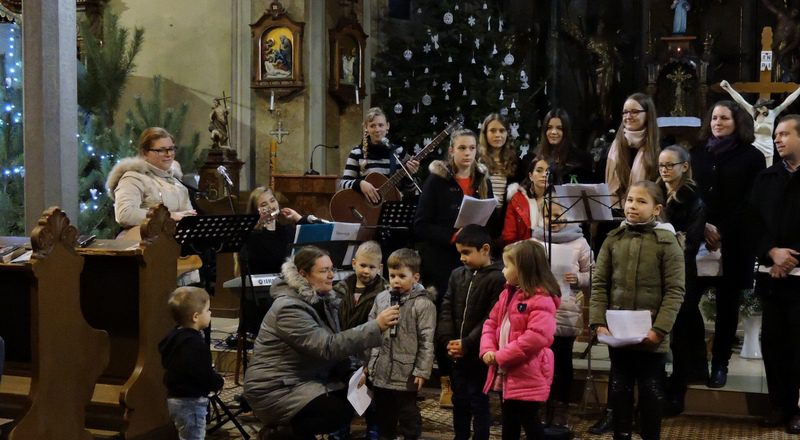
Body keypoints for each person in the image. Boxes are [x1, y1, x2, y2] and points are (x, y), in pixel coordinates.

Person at [243, 246, 400, 439]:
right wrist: (376, 326)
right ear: (303, 274)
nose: (331, 275)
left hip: (303, 378)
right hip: (275, 387)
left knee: (356, 394)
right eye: (324, 271)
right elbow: (327, 346)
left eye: (332, 269)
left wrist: (350, 373)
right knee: (335, 412)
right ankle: (277, 435)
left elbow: (336, 347)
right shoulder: (288, 308)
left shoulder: (322, 299)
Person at [590, 181, 685, 440]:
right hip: (618, 333)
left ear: (657, 209)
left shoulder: (667, 242)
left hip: (651, 334)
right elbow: (600, 284)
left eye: (642, 201)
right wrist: (598, 322)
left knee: (651, 391)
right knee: (619, 389)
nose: (633, 206)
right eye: (630, 200)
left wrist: (659, 329)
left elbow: (675, 291)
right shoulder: (613, 239)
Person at [414, 128, 494, 408]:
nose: (467, 153)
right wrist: (453, 237)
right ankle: (447, 380)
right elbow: (421, 224)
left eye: (471, 148)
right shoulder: (437, 180)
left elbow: (491, 219)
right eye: (462, 148)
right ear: (451, 151)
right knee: (446, 320)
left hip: (475, 261)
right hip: (442, 261)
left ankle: (472, 380)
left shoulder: (482, 179)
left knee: (473, 319)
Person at [692, 100, 765, 388]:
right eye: (714, 118)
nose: (717, 123)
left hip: (734, 241)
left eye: (724, 118)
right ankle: (696, 362)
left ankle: (720, 364)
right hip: (699, 237)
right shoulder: (699, 153)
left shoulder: (752, 157)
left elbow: (751, 202)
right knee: (686, 302)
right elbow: (691, 193)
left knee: (726, 307)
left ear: (737, 122)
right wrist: (703, 226)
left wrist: (721, 230)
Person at [749, 114, 800, 434]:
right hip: (772, 275)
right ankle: (779, 405)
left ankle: (799, 408)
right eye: (776, 134)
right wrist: (771, 251)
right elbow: (752, 220)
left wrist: (792, 256)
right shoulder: (766, 177)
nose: (777, 139)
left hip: (799, 276)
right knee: (773, 343)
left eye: (784, 134)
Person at [480, 240, 560, 440]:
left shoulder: (542, 299)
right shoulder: (507, 294)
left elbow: (535, 337)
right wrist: (488, 350)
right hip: (506, 370)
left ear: (523, 269)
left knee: (529, 420)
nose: (503, 271)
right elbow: (491, 323)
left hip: (527, 371)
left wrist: (501, 356)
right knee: (509, 421)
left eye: (507, 266)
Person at [436, 225, 505, 440]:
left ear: (485, 249)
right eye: (460, 253)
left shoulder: (498, 278)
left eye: (466, 252)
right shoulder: (457, 275)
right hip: (456, 351)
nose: (462, 258)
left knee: (477, 400)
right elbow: (446, 307)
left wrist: (467, 343)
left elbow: (491, 317)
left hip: (478, 352)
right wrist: (448, 341)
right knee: (459, 399)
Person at [656, 145, 708, 416]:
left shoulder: (693, 199)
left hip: (681, 271)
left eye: (670, 165)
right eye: (661, 165)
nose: (664, 170)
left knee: (682, 332)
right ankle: (660, 386)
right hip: (656, 270)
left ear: (684, 167)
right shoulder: (656, 192)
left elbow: (690, 240)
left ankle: (678, 389)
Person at [532, 201, 592, 433]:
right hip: (538, 312)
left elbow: (593, 273)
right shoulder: (535, 242)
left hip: (565, 312)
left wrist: (579, 279)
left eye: (560, 215)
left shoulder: (579, 242)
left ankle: (560, 408)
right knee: (538, 362)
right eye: (549, 215)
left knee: (562, 363)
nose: (554, 220)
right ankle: (540, 404)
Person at [366, 248, 436, 440]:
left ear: (415, 277)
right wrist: (368, 364)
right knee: (383, 414)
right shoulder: (381, 299)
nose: (396, 281)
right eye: (392, 276)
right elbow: (370, 332)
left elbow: (427, 341)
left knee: (408, 415)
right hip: (381, 370)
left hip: (406, 373)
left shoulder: (423, 304)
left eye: (402, 276)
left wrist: (422, 371)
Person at [237, 187, 308, 334]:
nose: (270, 206)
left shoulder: (287, 230)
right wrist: (260, 224)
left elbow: (311, 237)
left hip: (287, 291)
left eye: (272, 201)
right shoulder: (251, 236)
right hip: (262, 295)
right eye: (264, 205)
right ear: (256, 211)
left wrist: (298, 218)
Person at [158, 287, 224, 440]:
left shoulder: (175, 337)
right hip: (191, 401)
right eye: (207, 310)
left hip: (175, 398)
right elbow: (203, 374)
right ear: (195, 317)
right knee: (193, 436)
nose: (210, 313)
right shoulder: (194, 345)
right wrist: (218, 382)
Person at [107, 127, 196, 236]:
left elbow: (187, 216)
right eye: (161, 150)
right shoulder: (133, 178)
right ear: (145, 153)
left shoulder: (177, 182)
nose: (169, 154)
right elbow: (125, 215)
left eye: (171, 149)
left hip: (174, 241)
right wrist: (170, 216)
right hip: (143, 241)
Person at [339, 107, 420, 204]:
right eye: (372, 126)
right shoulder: (357, 152)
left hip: (391, 208)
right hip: (365, 209)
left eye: (381, 125)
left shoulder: (398, 151)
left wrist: (409, 174)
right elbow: (343, 184)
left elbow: (411, 189)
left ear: (387, 126)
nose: (377, 130)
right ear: (366, 128)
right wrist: (360, 184)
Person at [720, 79, 800, 166]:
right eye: (759, 108)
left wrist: (799, 90)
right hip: (756, 145)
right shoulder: (753, 112)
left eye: (762, 107)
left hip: (768, 147)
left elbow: (788, 101)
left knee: (768, 169)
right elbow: (740, 101)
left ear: (766, 106)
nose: (761, 109)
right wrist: (728, 88)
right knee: (754, 167)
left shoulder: (773, 113)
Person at [605, 93, 661, 208]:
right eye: (625, 112)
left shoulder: (660, 149)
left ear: (648, 115)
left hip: (645, 212)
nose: (628, 116)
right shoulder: (613, 147)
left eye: (634, 112)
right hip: (614, 211)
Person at [517, 109, 593, 185]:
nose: (553, 132)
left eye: (559, 128)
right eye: (549, 127)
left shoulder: (581, 159)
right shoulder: (535, 159)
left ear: (566, 131)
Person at [478, 113, 518, 239]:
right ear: (485, 133)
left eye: (502, 131)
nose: (497, 135)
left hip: (504, 220)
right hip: (482, 221)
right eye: (493, 131)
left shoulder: (514, 161)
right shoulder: (477, 159)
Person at [502, 155, 549, 245]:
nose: (544, 175)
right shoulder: (517, 199)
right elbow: (509, 236)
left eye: (547, 171)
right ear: (530, 176)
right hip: (523, 249)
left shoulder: (558, 198)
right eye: (539, 171)